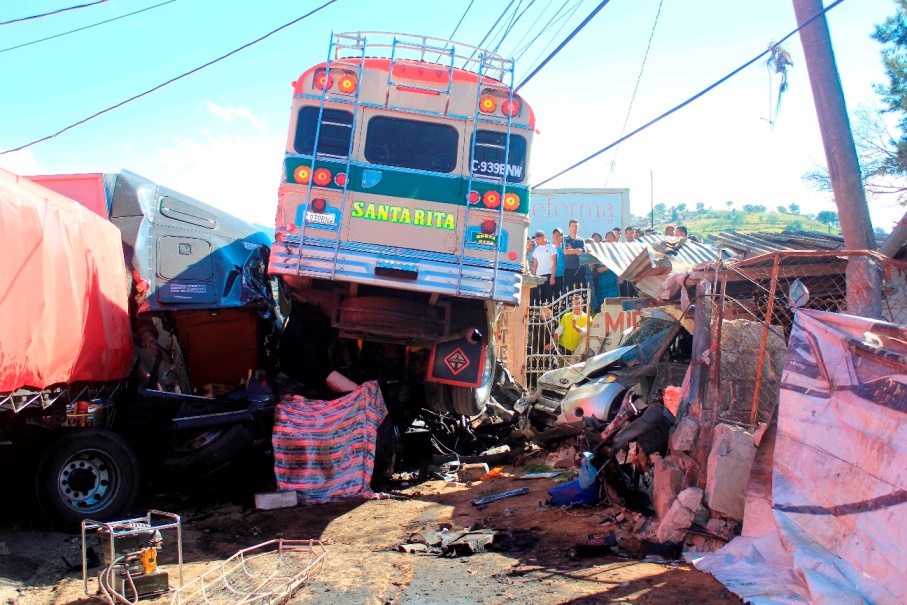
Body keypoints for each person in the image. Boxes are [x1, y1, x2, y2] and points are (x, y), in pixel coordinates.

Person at [531, 230, 558, 303]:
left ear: (544, 237)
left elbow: (554, 263)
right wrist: (533, 276)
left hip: (548, 275)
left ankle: (548, 313)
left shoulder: (551, 247)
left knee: (547, 297)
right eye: (536, 239)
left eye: (538, 238)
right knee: (538, 297)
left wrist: (552, 277)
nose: (537, 240)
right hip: (538, 275)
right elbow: (535, 264)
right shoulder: (536, 249)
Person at [563, 218, 586, 290]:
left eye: (576, 226)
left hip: (580, 268)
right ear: (569, 227)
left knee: (582, 290)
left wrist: (572, 249)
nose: (574, 228)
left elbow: (582, 253)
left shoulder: (581, 240)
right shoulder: (565, 239)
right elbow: (566, 252)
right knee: (568, 291)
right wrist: (576, 250)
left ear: (578, 227)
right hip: (569, 268)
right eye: (572, 226)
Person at [552, 228, 566, 297]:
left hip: (561, 276)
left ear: (562, 237)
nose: (556, 237)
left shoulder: (564, 249)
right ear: (552, 237)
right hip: (550, 276)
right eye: (555, 235)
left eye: (559, 235)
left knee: (559, 297)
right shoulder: (549, 248)